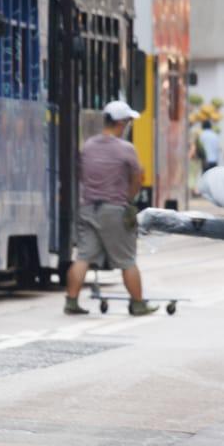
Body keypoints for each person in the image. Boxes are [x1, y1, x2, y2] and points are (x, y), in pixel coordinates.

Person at [64, 99, 157, 317]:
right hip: (114, 209)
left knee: (83, 257)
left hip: (88, 208)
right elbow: (137, 178)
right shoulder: (126, 149)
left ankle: (71, 301)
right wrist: (128, 199)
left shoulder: (88, 145)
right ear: (121, 123)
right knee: (127, 260)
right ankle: (137, 304)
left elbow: (82, 174)